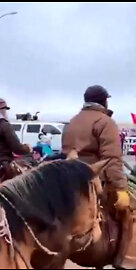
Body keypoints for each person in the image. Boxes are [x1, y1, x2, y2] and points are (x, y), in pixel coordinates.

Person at [62, 85, 135, 268]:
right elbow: (111, 159)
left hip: (69, 179)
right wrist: (120, 188)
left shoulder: (73, 121)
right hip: (96, 180)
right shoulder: (105, 122)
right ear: (104, 101)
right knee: (128, 211)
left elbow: (66, 151)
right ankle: (123, 259)